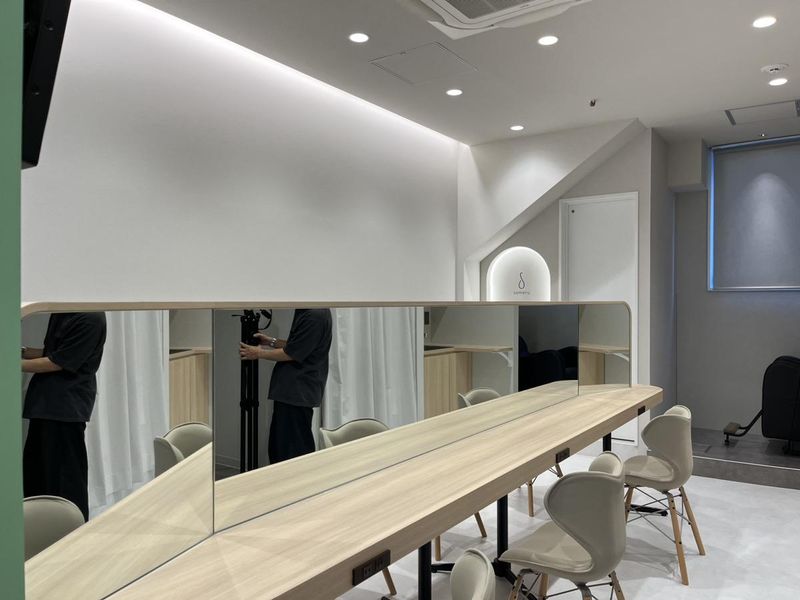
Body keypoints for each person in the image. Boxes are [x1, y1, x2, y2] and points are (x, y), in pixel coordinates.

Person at [22, 312, 107, 521]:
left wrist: (12, 363)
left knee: (65, 481)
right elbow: (53, 352)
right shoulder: (63, 311)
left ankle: (73, 530)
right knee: (37, 476)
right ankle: (41, 528)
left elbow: (58, 361)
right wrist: (21, 351)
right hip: (45, 406)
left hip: (65, 409)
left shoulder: (90, 318)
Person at [239, 308, 332, 464]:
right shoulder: (309, 311)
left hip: (297, 393)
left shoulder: (314, 315)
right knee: (281, 447)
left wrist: (258, 353)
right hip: (292, 393)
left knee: (291, 453)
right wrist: (271, 341)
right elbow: (298, 344)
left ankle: (295, 480)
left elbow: (292, 353)